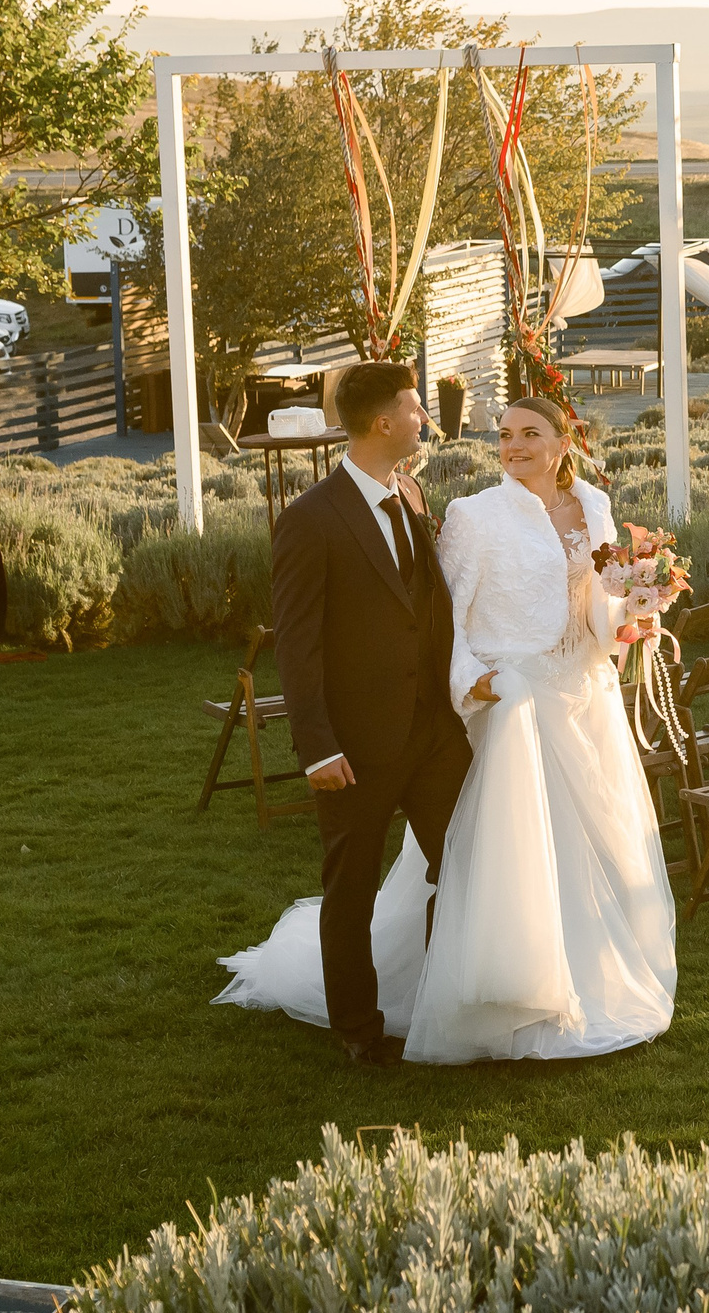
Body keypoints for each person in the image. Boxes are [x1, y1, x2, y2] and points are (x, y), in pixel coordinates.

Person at [216, 394, 676, 1064]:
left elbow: (594, 612)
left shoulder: (596, 509)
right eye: (505, 434)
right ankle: (484, 991)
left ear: (562, 440)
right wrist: (477, 684)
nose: (513, 445)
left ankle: (580, 982)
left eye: (529, 433)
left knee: (585, 858)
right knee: (493, 861)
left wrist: (634, 613)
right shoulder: (473, 515)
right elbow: (445, 619)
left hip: (581, 701)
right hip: (509, 707)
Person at [229, 359, 470, 1067]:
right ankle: (357, 1027)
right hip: (356, 745)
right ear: (381, 421)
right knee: (353, 886)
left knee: (465, 863)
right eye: (413, 406)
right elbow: (297, 647)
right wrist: (317, 746)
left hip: (433, 733)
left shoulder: (414, 493)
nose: (423, 417)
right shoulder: (310, 520)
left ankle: (445, 997)